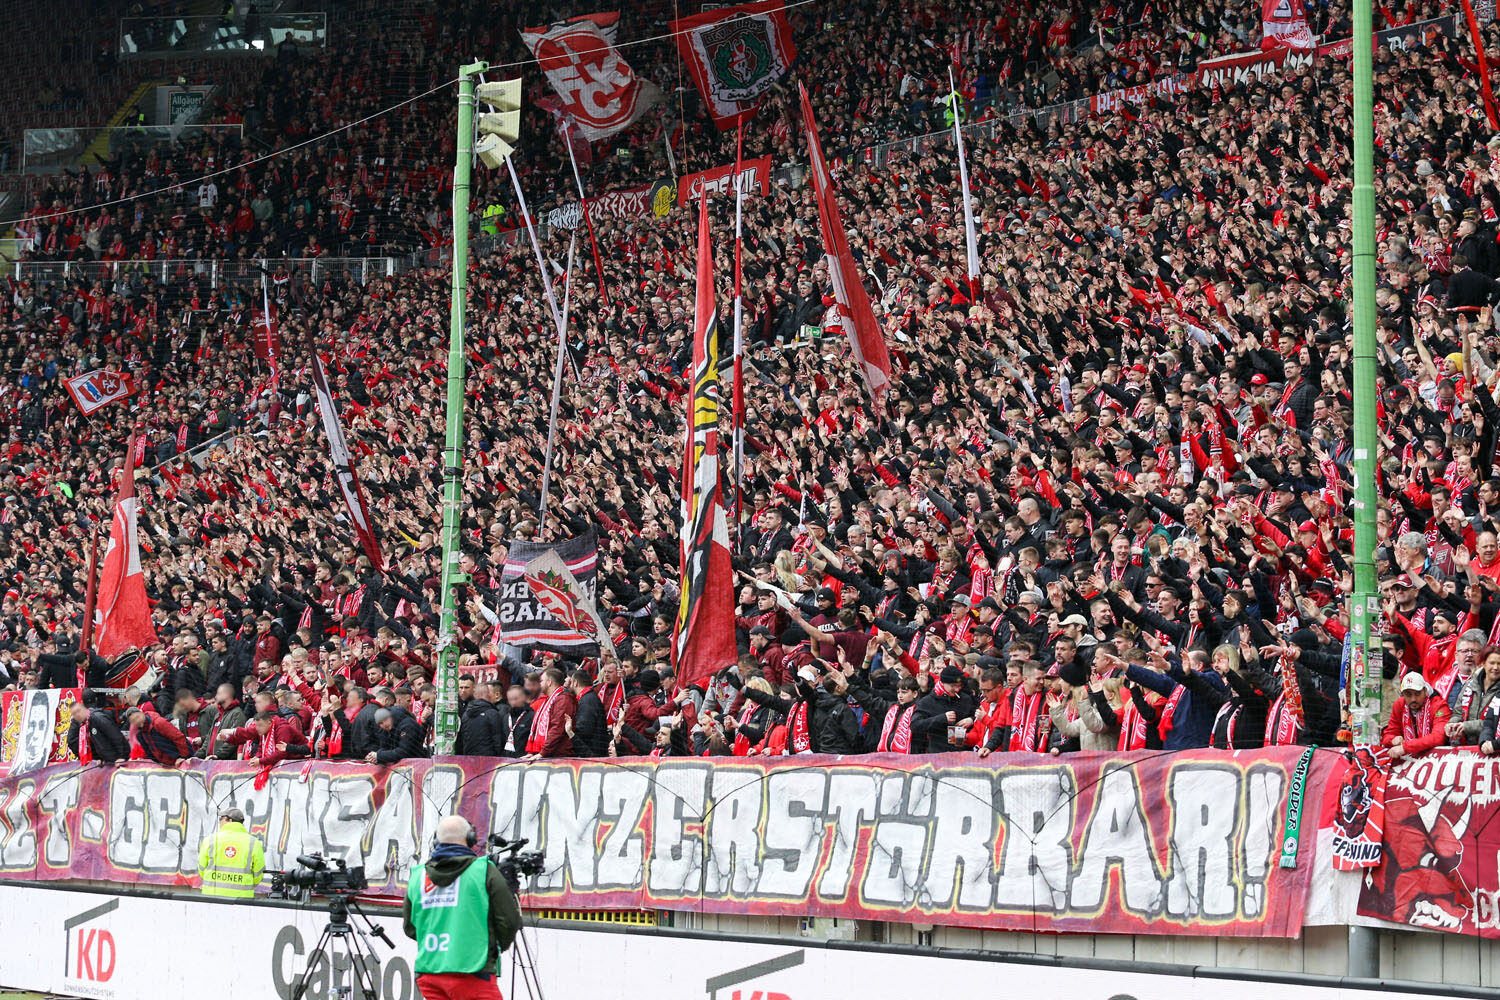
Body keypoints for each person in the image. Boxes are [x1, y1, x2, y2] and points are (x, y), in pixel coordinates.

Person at [403, 815, 521, 1000]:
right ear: (471, 839)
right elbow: (509, 920)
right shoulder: (484, 870)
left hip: (430, 972)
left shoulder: (417, 876)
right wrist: (492, 949)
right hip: (474, 971)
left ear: (436, 840)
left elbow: (410, 928)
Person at [197, 806, 266, 898]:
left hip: (212, 897)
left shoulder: (210, 839)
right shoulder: (253, 842)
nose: (219, 821)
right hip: (242, 898)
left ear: (229, 820)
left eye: (221, 818)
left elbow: (201, 868)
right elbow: (259, 872)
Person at [1382, 673, 1453, 761]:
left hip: (1437, 759)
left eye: (1417, 693)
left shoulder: (1439, 706)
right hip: (1409, 760)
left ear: (1425, 691)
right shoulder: (1399, 704)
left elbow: (1438, 738)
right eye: (1408, 694)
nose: (1413, 699)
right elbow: (1388, 735)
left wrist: (1405, 748)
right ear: (1403, 694)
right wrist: (1392, 740)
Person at [66, 699, 129, 764]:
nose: (77, 715)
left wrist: (122, 757)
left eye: (78, 711)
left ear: (84, 708)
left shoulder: (97, 718)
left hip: (119, 760)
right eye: (74, 713)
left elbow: (116, 736)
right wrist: (101, 759)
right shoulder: (85, 725)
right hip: (109, 761)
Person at [125, 705, 191, 765]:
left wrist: (184, 757)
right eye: (133, 721)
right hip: (165, 765)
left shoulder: (159, 722)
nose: (137, 721)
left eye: (137, 717)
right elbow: (148, 751)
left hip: (181, 760)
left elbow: (179, 738)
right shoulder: (140, 734)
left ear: (142, 713)